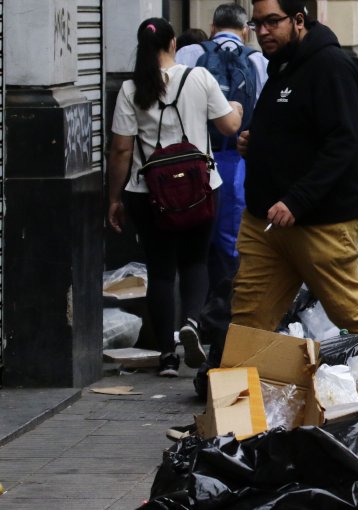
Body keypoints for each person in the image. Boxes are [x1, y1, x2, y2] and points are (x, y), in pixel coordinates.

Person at [107, 18, 243, 377]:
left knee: (161, 271)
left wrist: (113, 198)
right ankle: (193, 324)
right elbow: (230, 126)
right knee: (196, 262)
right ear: (173, 44)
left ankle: (167, 356)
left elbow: (121, 150)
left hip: (148, 194)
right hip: (200, 189)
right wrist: (238, 108)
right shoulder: (198, 78)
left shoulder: (130, 89)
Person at [234, 0, 358, 338]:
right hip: (265, 223)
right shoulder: (281, 66)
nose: (263, 32)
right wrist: (258, 144)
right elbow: (298, 131)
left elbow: (343, 142)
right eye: (257, 24)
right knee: (247, 319)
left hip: (321, 222)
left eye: (272, 22)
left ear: (298, 20)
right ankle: (240, 389)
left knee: (353, 318)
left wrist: (297, 200)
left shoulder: (331, 66)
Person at [174, 3, 270, 372]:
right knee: (233, 242)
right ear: (246, 29)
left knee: (196, 241)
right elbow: (263, 113)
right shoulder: (258, 62)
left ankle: (192, 317)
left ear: (211, 27)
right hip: (238, 161)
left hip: (190, 161)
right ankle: (226, 317)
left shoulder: (191, 53)